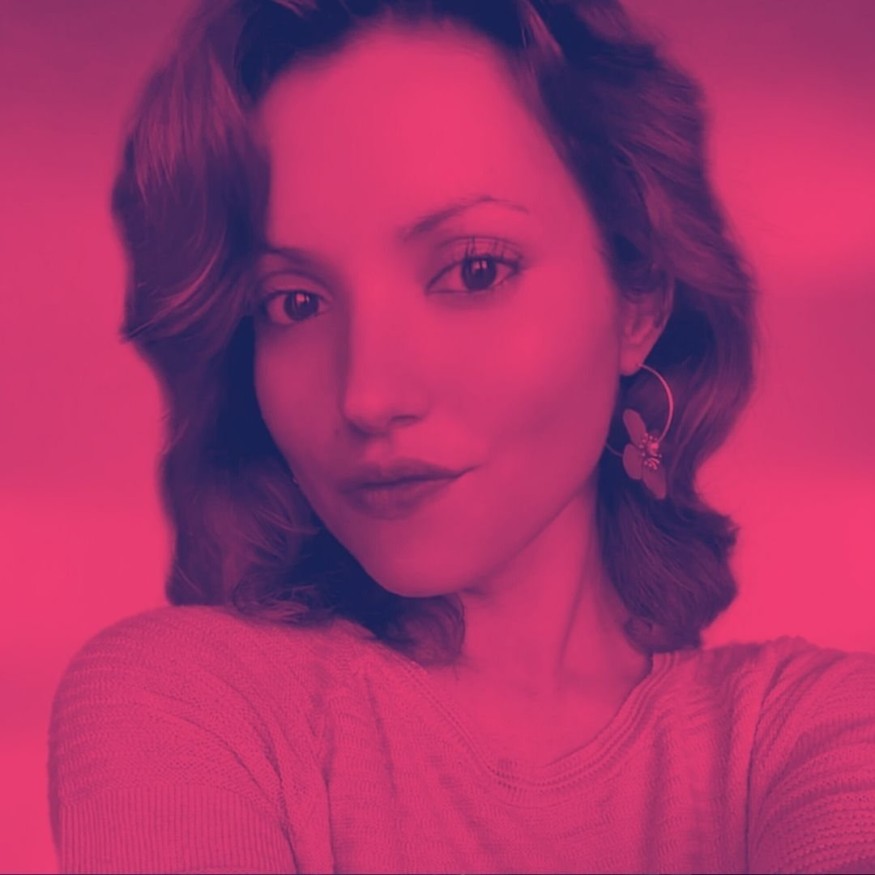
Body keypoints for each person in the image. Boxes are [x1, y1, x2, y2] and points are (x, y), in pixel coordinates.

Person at [47, 1, 875, 872]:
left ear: (637, 299)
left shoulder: (808, 731)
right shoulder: (188, 704)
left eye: (474, 269)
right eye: (293, 302)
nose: (368, 395)